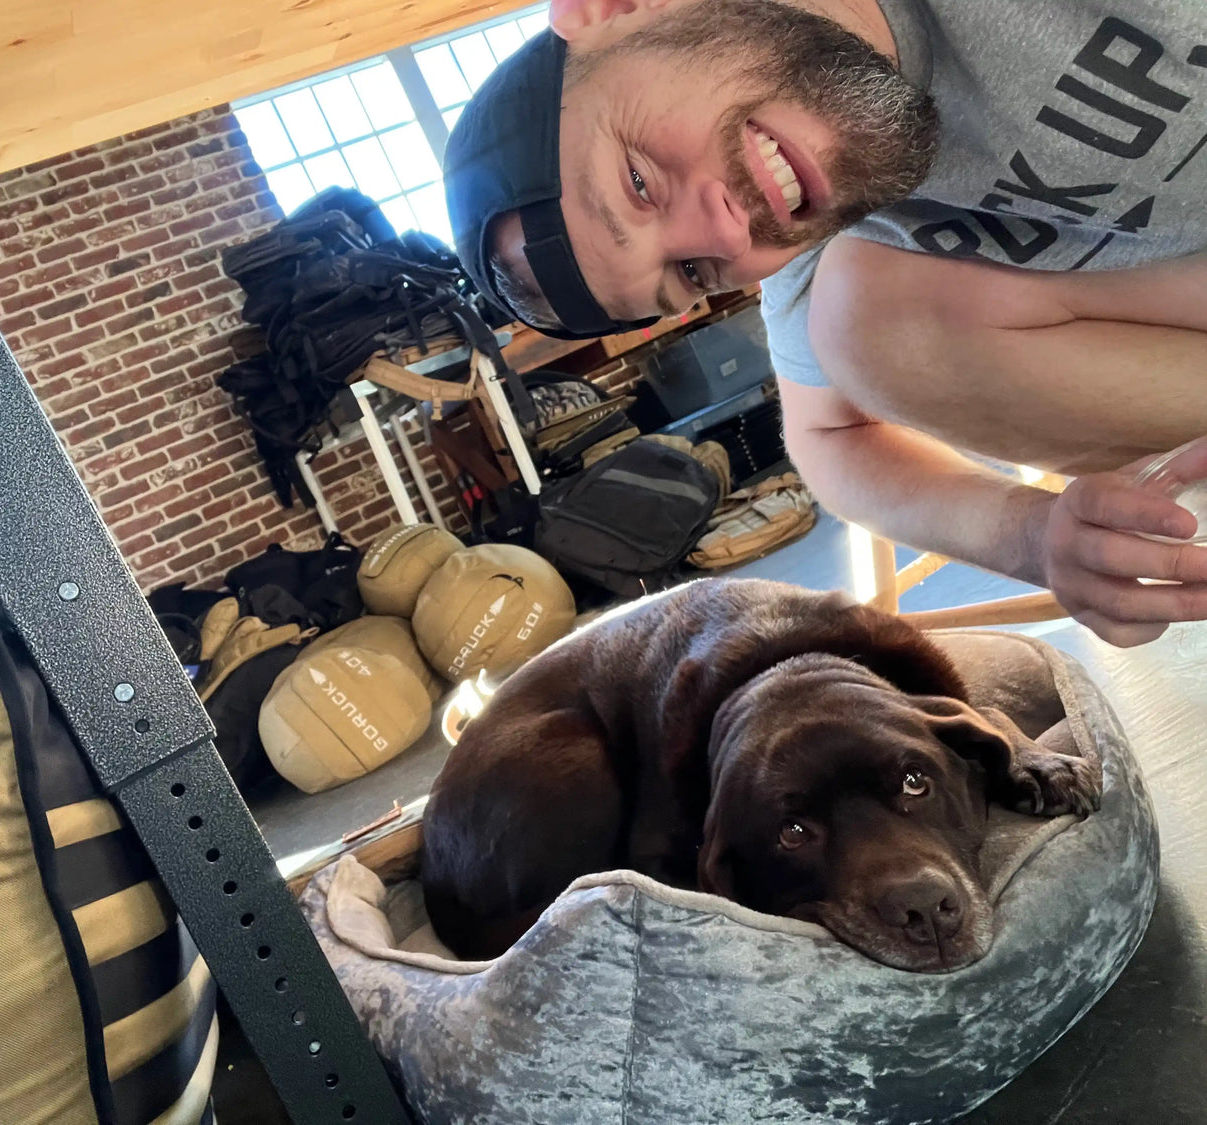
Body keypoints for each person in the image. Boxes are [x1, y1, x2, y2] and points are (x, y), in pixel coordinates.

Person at [442, 0, 1207, 646]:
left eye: (639, 181)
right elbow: (824, 442)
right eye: (691, 275)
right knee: (858, 319)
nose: (727, 236)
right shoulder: (832, 220)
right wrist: (1036, 539)